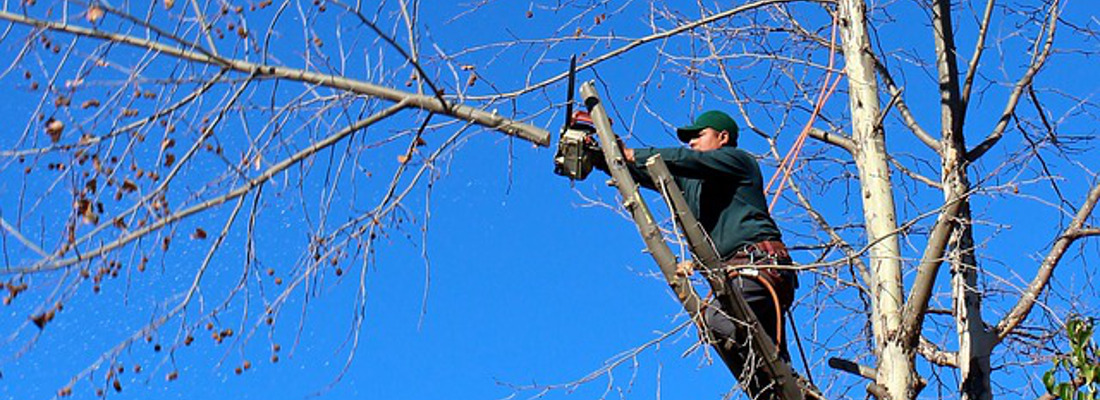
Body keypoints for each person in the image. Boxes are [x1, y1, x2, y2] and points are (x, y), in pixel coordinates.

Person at [593, 109, 797, 395]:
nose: (692, 143)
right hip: (735, 277)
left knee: (717, 321)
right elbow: (651, 173)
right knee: (762, 375)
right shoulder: (692, 184)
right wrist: (604, 155)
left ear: (723, 137)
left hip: (758, 266)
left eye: (698, 136)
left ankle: (787, 381)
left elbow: (687, 160)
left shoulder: (738, 161)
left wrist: (630, 154)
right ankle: (790, 388)